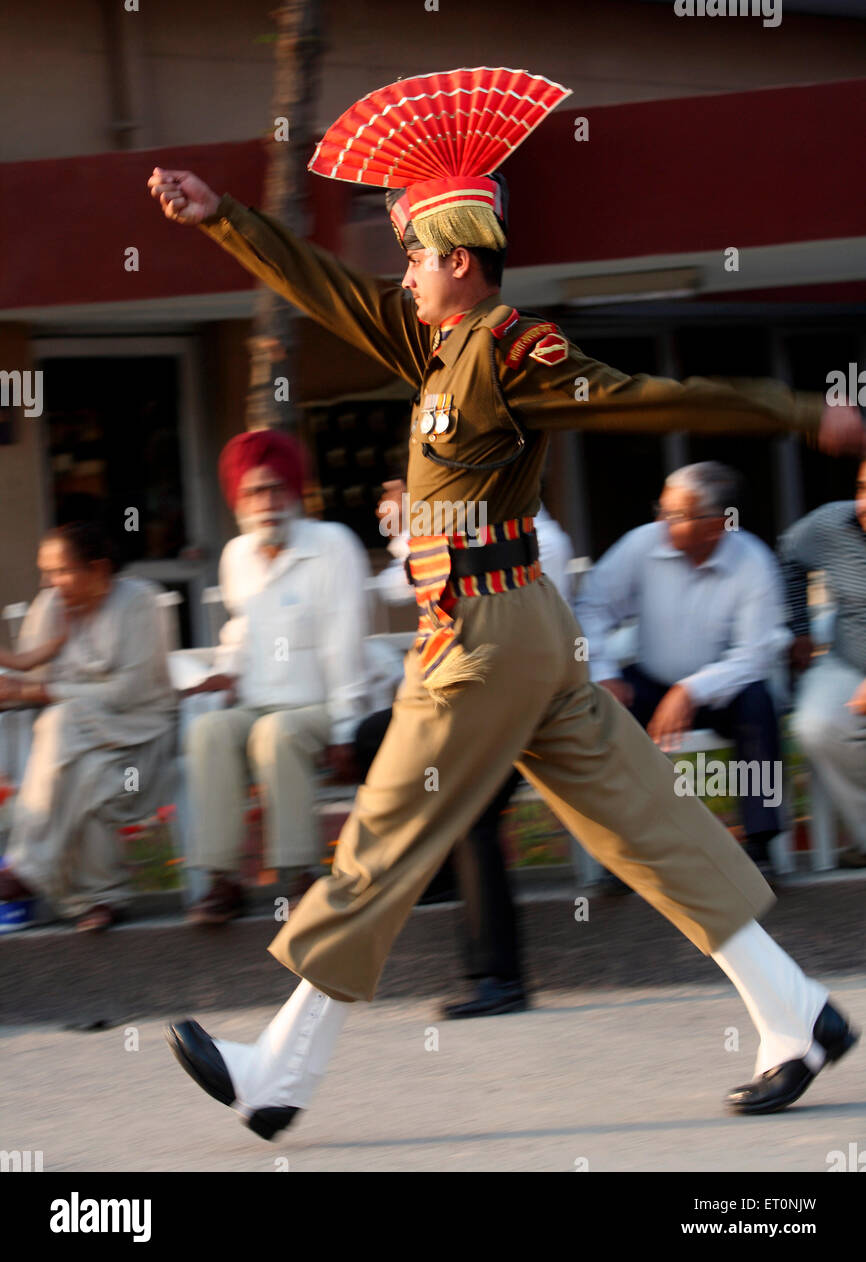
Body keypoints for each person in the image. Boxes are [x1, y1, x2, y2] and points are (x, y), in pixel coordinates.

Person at [148, 66, 862, 1140]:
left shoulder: (510, 352)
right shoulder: (432, 348)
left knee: (387, 829)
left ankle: (277, 1072)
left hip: (486, 635)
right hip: (510, 632)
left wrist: (797, 412)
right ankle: (793, 1013)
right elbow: (325, 289)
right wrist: (226, 223)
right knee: (638, 818)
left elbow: (645, 396)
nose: (401, 272)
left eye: (414, 255)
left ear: (458, 259)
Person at [360, 474, 575, 1016]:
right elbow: (399, 581)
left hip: (529, 712)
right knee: (369, 736)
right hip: (478, 702)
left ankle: (499, 978)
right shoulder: (476, 531)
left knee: (472, 814)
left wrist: (416, 520)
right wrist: (412, 522)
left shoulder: (537, 541)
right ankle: (441, 875)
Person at [183, 431, 370, 923]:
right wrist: (221, 674)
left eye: (274, 489)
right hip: (258, 701)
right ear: (237, 499)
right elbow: (240, 630)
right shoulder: (236, 555)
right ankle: (222, 880)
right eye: (252, 492)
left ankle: (300, 874)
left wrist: (348, 730)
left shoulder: (334, 546)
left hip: (321, 707)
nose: (265, 503)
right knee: (208, 730)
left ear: (294, 491)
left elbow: (344, 644)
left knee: (275, 734)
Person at [578, 462, 788, 880]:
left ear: (715, 526)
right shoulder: (641, 544)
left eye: (676, 515)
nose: (661, 522)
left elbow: (754, 655)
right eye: (663, 508)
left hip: (725, 688)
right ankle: (622, 852)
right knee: (601, 714)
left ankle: (760, 844)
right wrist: (603, 672)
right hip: (652, 680)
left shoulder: (754, 563)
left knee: (759, 708)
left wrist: (691, 690)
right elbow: (591, 608)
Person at [0, 522, 175, 932]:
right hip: (78, 748)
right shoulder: (51, 607)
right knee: (90, 771)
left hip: (140, 736)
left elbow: (129, 691)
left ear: (98, 569)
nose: (49, 583)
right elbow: (27, 672)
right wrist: (34, 672)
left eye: (60, 571)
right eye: (45, 572)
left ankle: (28, 868)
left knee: (63, 720)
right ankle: (102, 899)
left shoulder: (138, 603)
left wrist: (42, 690)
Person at [781, 460, 866, 867]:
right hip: (847, 657)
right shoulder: (832, 524)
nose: (865, 503)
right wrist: (799, 627)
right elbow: (789, 555)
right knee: (815, 724)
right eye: (863, 487)